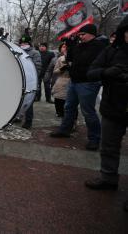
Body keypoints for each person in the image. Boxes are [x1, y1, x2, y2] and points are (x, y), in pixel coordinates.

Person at [84, 16, 128, 212]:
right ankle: (108, 178)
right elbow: (91, 72)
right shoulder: (111, 51)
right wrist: (108, 72)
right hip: (112, 107)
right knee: (108, 146)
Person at [50, 24, 107, 151]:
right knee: (68, 107)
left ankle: (94, 138)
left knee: (87, 111)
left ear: (92, 34)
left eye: (83, 34)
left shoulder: (99, 46)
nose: (80, 37)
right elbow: (70, 58)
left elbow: (86, 60)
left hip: (88, 83)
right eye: (79, 35)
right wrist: (70, 45)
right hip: (74, 81)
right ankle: (65, 130)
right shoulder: (79, 45)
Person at [18, 37, 42, 129]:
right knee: (17, 101)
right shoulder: (18, 51)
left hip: (30, 82)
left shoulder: (35, 53)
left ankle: (28, 121)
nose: (23, 44)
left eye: (25, 43)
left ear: (29, 43)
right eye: (22, 43)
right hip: (18, 81)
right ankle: (18, 116)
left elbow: (37, 67)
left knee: (28, 101)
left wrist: (28, 75)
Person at [51, 43, 70, 117]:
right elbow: (55, 71)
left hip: (71, 82)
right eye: (63, 47)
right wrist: (62, 68)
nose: (65, 48)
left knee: (68, 101)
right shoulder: (60, 58)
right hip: (61, 81)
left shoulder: (75, 57)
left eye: (66, 47)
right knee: (58, 99)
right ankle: (59, 112)